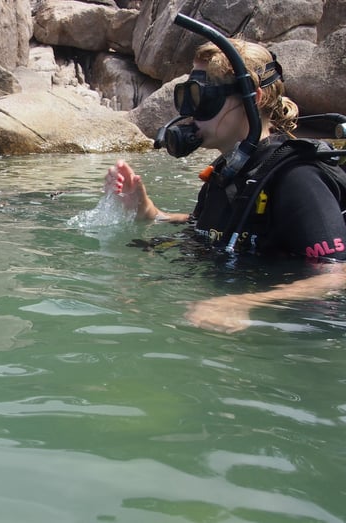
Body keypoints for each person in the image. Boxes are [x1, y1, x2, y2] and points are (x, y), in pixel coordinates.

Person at [104, 38, 346, 333]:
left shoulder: (297, 177)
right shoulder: (226, 172)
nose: (192, 114)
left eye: (204, 99)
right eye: (187, 99)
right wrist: (151, 213)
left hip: (291, 338)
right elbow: (218, 230)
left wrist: (243, 302)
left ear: (251, 98)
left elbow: (336, 274)